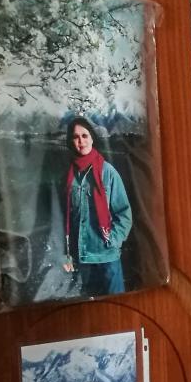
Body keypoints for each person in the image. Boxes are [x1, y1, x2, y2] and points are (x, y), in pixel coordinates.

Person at [62, 115, 133, 296]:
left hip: (107, 256)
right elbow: (67, 216)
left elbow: (124, 213)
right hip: (83, 257)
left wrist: (113, 240)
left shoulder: (108, 172)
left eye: (84, 135)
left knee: (117, 305)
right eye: (76, 137)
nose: (81, 141)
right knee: (92, 306)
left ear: (92, 138)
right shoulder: (70, 175)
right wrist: (69, 252)